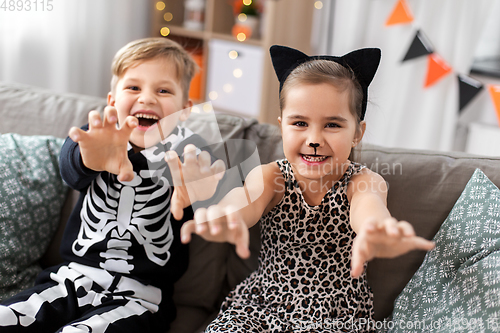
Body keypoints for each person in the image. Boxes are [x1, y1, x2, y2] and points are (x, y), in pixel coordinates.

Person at [180, 45, 435, 332]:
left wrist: (377, 229)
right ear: (282, 127)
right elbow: (246, 202)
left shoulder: (362, 180)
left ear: (357, 133)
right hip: (262, 306)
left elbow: (369, 209)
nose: (314, 138)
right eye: (300, 123)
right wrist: (224, 214)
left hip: (335, 317)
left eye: (332, 125)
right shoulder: (270, 176)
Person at [0, 37, 224, 332]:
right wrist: (89, 157)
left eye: (164, 90)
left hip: (141, 299)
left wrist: (204, 192)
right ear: (112, 101)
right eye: (133, 87)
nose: (147, 98)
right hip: (70, 280)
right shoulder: (97, 139)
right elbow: (71, 168)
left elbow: (214, 198)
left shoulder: (189, 153)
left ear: (184, 109)